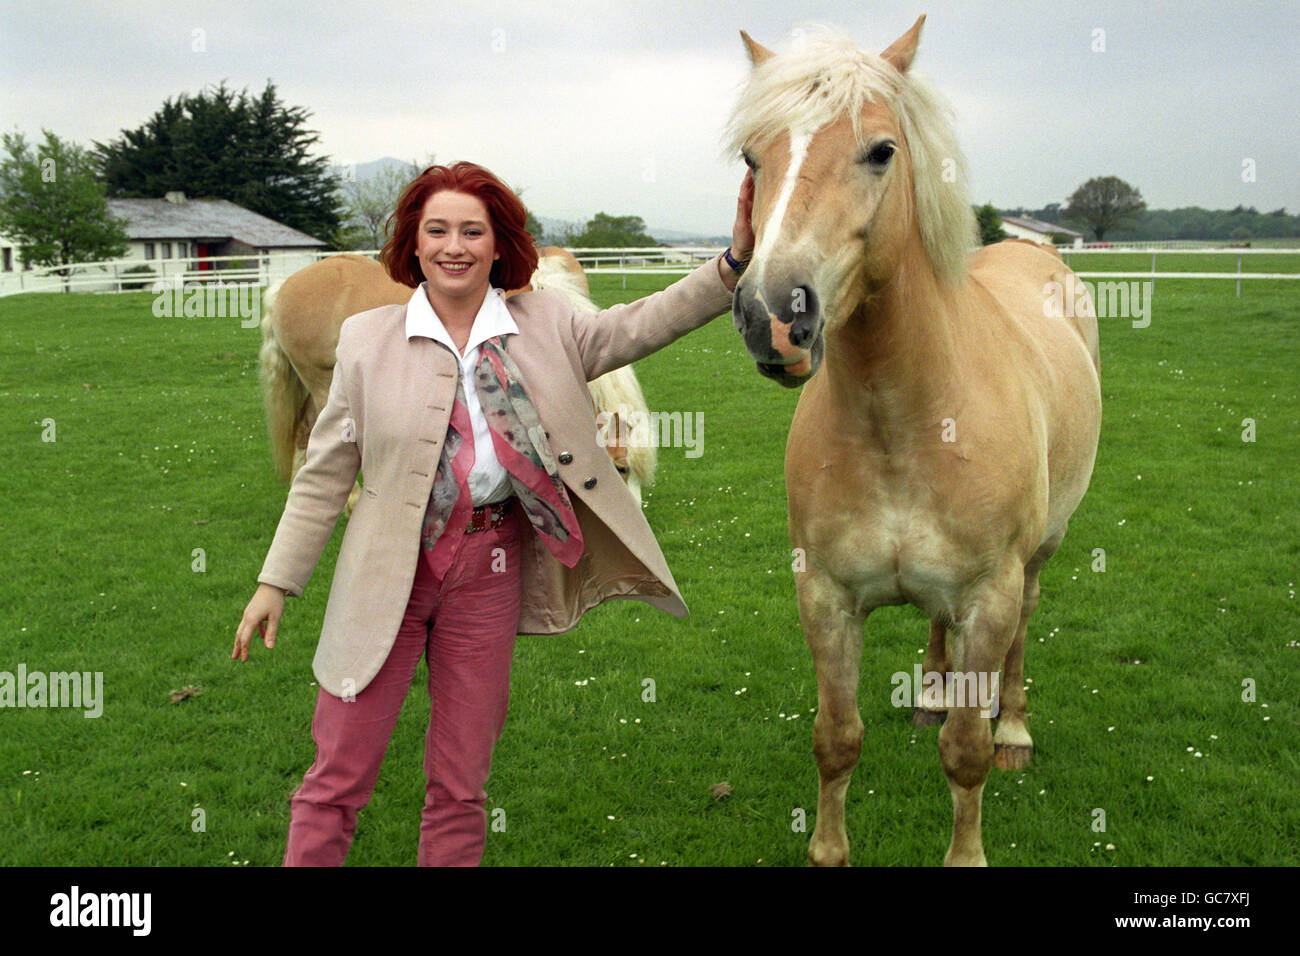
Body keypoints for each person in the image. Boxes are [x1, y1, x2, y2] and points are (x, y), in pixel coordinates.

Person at [232, 160, 754, 866]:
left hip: (490, 568)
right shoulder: (366, 340)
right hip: (387, 570)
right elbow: (324, 474)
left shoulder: (549, 322)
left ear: (498, 244)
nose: (455, 246)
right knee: (337, 778)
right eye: (437, 229)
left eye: (472, 231)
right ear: (412, 246)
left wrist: (732, 264)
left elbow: (642, 325)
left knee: (461, 785)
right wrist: (276, 583)